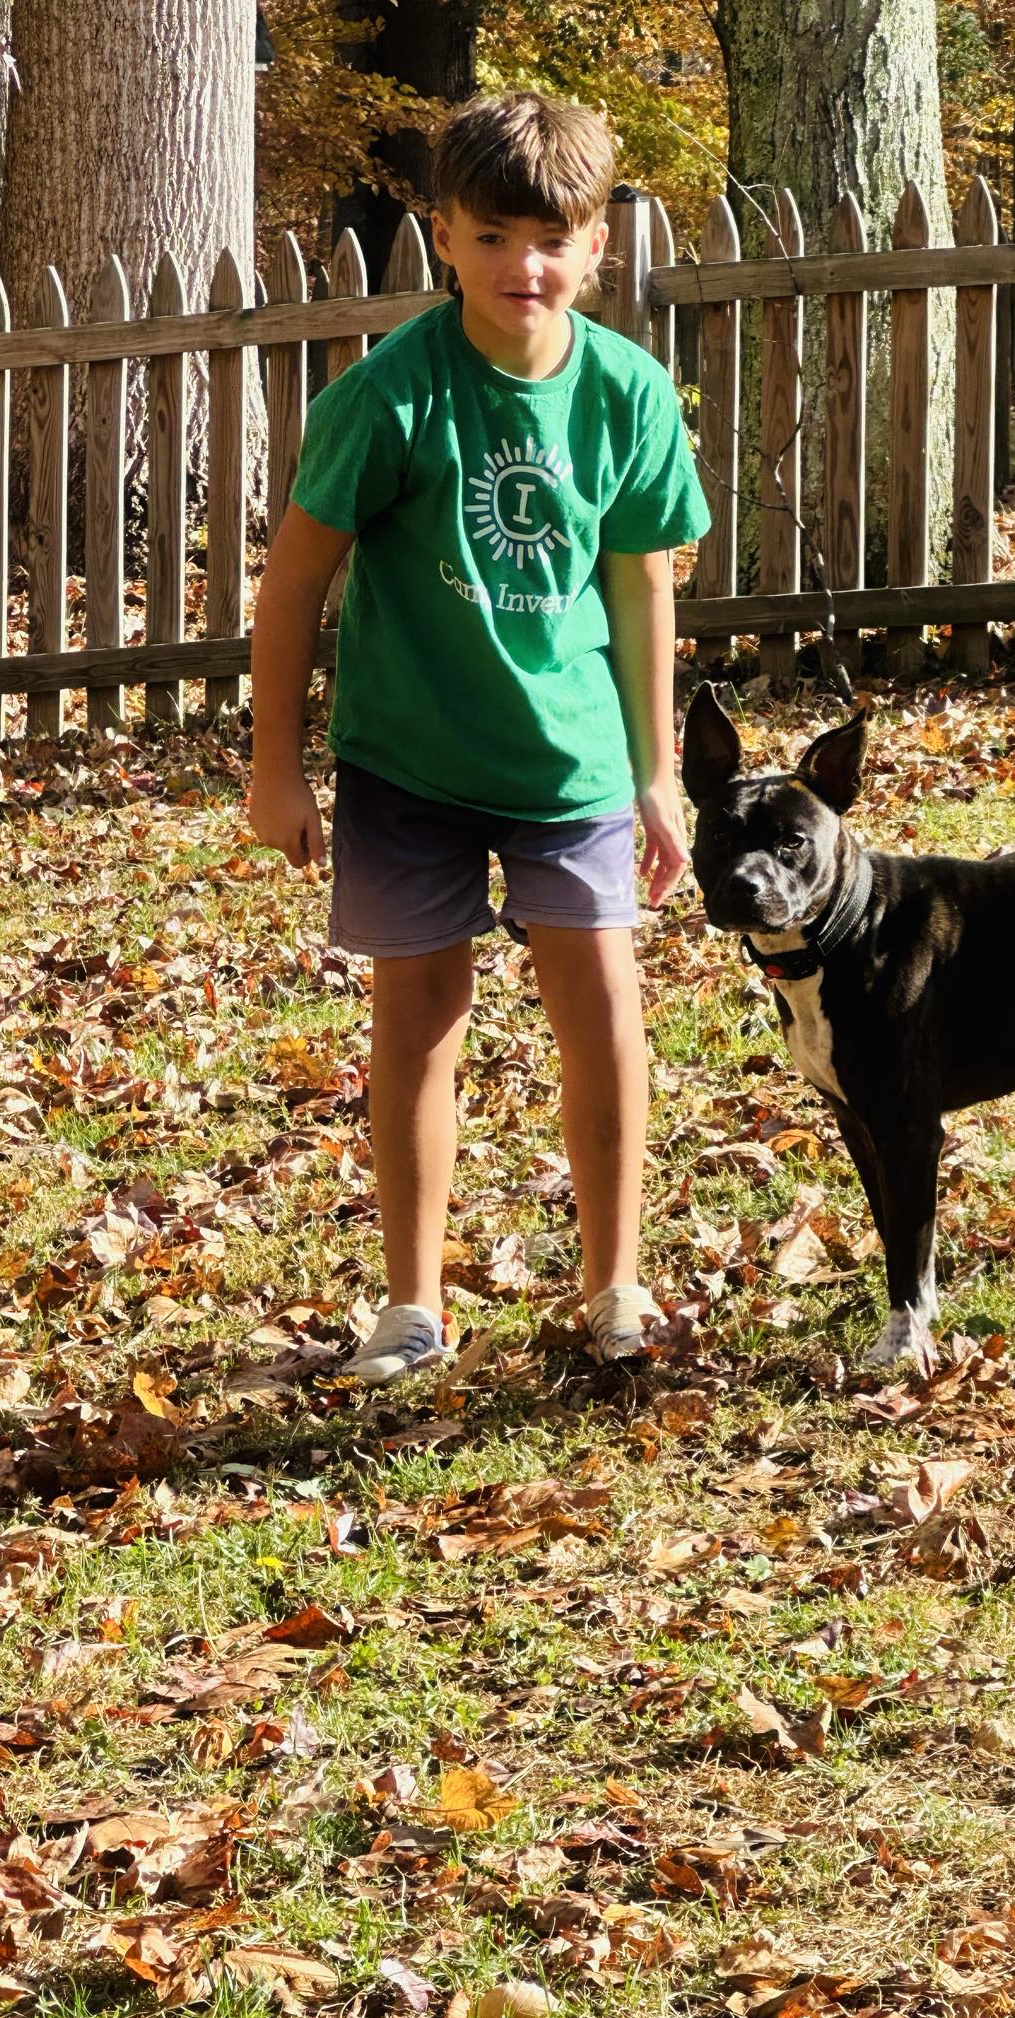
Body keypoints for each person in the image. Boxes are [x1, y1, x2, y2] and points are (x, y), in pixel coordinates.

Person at [248, 91, 710, 1381]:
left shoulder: (627, 396)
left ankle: (614, 1289)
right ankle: (411, 1306)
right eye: (496, 235)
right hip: (408, 760)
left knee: (602, 1003)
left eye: (554, 237)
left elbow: (641, 585)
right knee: (419, 1010)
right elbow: (293, 587)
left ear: (600, 243)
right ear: (441, 233)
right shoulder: (391, 398)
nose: (528, 267)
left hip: (570, 764)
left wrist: (658, 775)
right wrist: (275, 762)